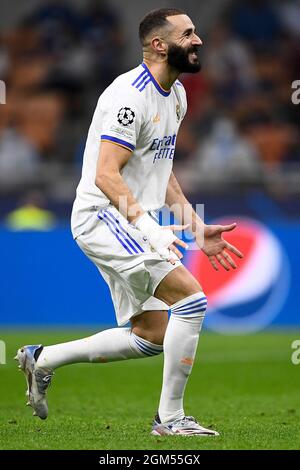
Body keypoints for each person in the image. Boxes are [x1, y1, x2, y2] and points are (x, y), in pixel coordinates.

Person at [16, 8, 243, 436]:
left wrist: (195, 226)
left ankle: (41, 359)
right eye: (188, 34)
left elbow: (163, 172)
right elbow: (106, 174)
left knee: (150, 335)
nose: (199, 41)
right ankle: (170, 420)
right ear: (160, 45)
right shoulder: (129, 96)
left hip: (127, 219)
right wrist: (150, 227)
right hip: (104, 216)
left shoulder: (176, 95)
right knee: (192, 301)